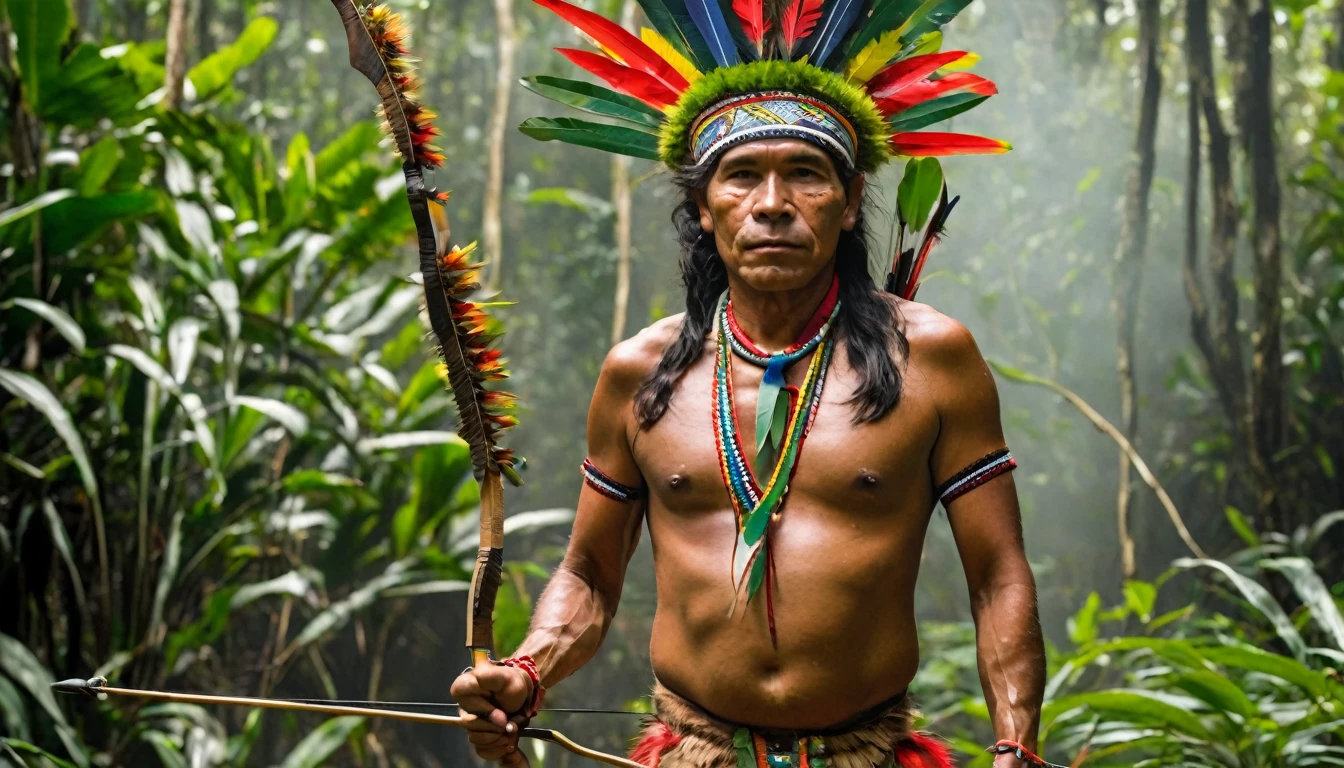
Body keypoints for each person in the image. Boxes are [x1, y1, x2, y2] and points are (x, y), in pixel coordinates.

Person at [453, 2, 1047, 766]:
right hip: (694, 751)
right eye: (741, 178)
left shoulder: (931, 359)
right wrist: (527, 669)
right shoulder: (639, 373)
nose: (772, 205)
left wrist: (1014, 745)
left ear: (851, 199)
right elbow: (590, 576)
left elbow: (997, 576)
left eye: (805, 174)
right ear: (703, 207)